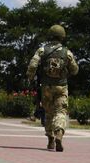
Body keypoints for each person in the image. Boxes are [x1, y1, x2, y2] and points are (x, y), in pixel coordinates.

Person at [27, 24, 79, 152]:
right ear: (62, 36)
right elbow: (75, 70)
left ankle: (50, 139)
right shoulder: (67, 52)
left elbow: (33, 64)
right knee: (60, 112)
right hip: (61, 87)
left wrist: (30, 77)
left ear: (50, 35)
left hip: (46, 87)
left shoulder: (42, 50)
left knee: (48, 113)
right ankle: (59, 134)